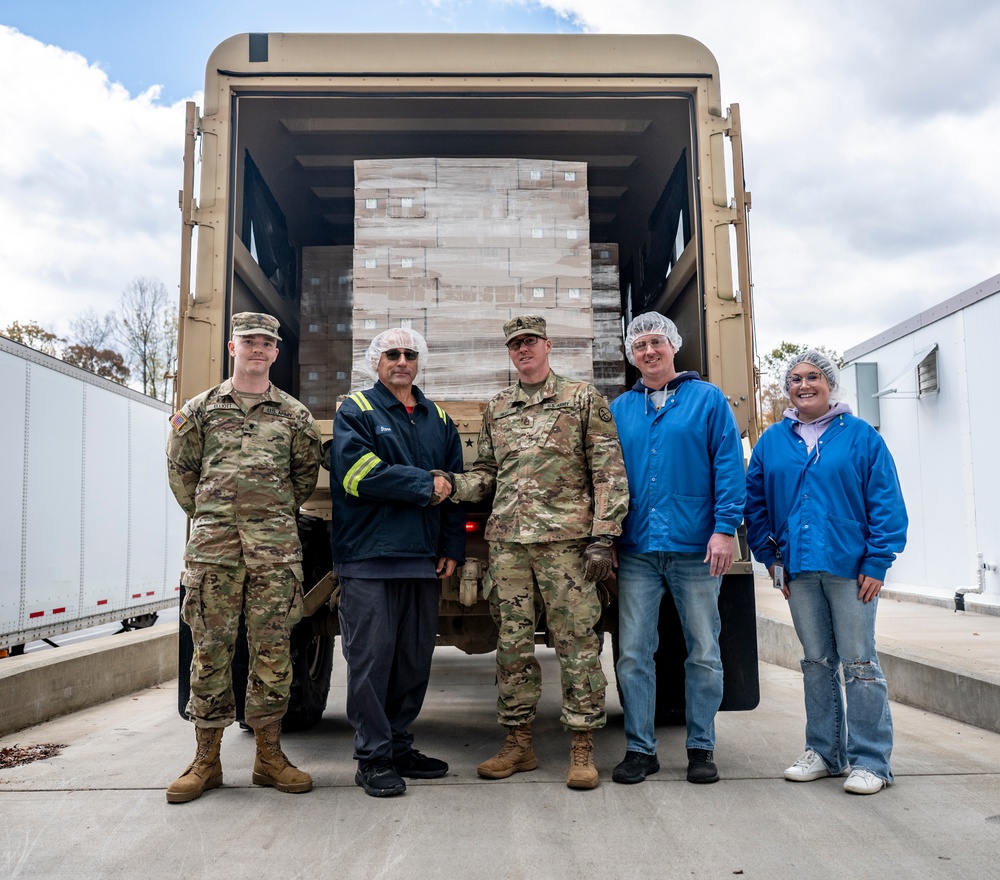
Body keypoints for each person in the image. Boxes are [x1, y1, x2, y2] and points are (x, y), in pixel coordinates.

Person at [444, 314, 629, 790]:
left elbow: (608, 470)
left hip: (566, 545)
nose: (522, 350)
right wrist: (447, 484)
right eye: (514, 345)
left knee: (577, 644)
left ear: (547, 346)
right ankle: (518, 742)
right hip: (508, 545)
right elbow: (487, 475)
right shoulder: (498, 407)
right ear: (509, 353)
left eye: (529, 342)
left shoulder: (581, 398)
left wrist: (603, 537)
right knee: (511, 646)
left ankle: (582, 746)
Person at [165, 312, 323, 804]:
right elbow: (181, 472)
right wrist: (217, 518)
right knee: (210, 651)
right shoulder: (201, 410)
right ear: (233, 348)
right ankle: (206, 760)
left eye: (267, 343)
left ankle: (269, 757)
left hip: (274, 554)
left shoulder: (294, 416)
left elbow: (303, 479)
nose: (258, 349)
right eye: (249, 341)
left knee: (272, 653)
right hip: (214, 554)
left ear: (277, 353)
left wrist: (264, 519)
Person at [745, 350, 907, 795]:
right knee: (816, 662)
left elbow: (886, 503)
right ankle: (824, 751)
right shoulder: (773, 441)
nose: (803, 385)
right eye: (795, 379)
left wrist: (877, 561)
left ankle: (871, 761)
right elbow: (754, 504)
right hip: (798, 570)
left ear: (830, 383)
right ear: (787, 389)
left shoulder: (861, 437)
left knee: (859, 662)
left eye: (813, 376)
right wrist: (771, 558)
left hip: (850, 568)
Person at [609, 312, 746, 785]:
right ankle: (640, 749)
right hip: (637, 548)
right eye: (640, 345)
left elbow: (729, 465)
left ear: (673, 347)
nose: (649, 351)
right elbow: (607, 478)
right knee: (632, 652)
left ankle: (701, 747)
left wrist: (725, 528)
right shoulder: (620, 408)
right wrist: (606, 536)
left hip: (695, 547)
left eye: (656, 342)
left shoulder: (706, 400)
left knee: (704, 650)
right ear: (632, 354)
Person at [330, 327, 466, 798]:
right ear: (376, 362)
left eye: (410, 354)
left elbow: (455, 486)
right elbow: (355, 473)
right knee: (371, 659)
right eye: (392, 354)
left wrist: (452, 545)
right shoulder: (356, 410)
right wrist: (423, 485)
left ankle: (399, 744)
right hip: (368, 557)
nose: (402, 361)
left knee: (412, 660)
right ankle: (372, 757)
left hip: (422, 560)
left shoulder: (439, 418)